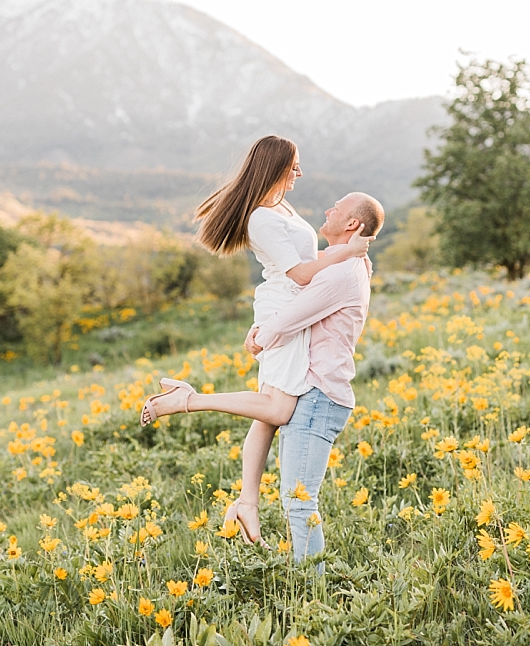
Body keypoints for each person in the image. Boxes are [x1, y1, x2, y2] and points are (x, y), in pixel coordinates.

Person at [140, 135, 371, 544]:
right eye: (294, 165)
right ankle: (187, 401)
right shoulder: (262, 218)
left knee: (268, 414)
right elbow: (299, 275)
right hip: (286, 307)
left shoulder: (280, 206)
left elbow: (307, 262)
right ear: (277, 165)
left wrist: (344, 254)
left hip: (288, 309)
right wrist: (348, 252)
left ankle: (247, 503)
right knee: (278, 408)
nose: (299, 172)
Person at [246, 191, 382, 563]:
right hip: (317, 395)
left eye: (336, 208)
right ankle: (311, 590)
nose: (328, 209)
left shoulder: (341, 273)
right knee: (296, 501)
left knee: (299, 503)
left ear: (352, 224)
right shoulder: (343, 264)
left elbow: (291, 318)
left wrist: (260, 334)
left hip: (319, 397)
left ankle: (313, 596)